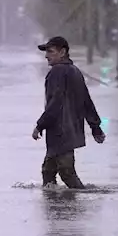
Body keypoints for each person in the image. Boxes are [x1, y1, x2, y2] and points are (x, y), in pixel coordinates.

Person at [32, 35, 105, 189]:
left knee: (67, 173)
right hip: (71, 130)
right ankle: (56, 207)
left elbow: (55, 103)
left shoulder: (56, 72)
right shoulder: (75, 71)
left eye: (50, 52)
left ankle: (74, 208)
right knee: (48, 171)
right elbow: (87, 101)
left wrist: (40, 125)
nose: (46, 56)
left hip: (60, 132)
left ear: (62, 52)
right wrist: (95, 127)